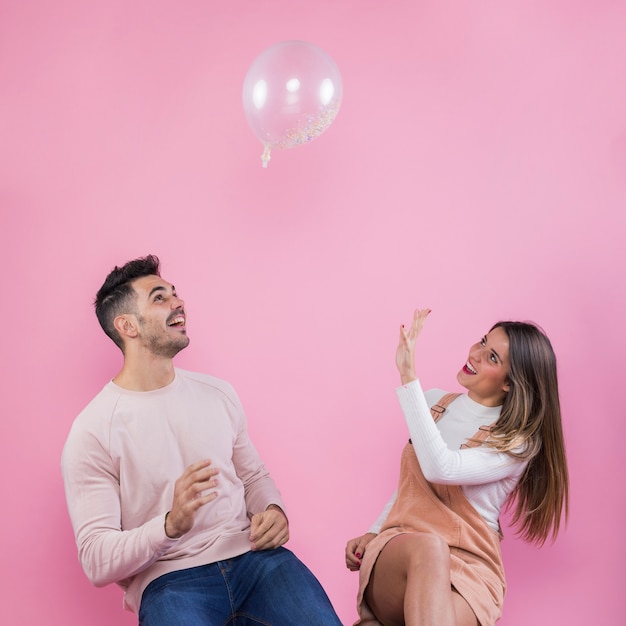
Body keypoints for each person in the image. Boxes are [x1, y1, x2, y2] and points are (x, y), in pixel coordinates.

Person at [62, 254, 342, 626]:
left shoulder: (218, 394)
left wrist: (273, 510)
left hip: (256, 561)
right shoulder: (93, 430)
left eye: (175, 294)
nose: (178, 303)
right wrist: (169, 525)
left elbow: (254, 477)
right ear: (128, 325)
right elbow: (97, 559)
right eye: (159, 298)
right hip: (169, 580)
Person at [345, 309, 569, 626]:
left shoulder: (516, 443)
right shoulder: (434, 403)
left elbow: (443, 469)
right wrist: (373, 531)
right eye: (481, 342)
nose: (475, 354)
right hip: (403, 550)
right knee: (429, 548)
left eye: (491, 357)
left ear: (509, 383)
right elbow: (412, 486)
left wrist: (408, 377)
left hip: (469, 570)